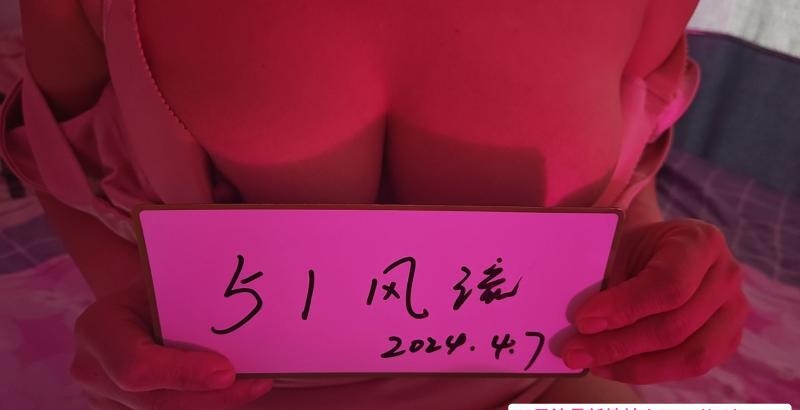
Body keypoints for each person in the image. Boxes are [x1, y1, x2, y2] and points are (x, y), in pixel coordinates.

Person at [1, 0, 748, 409]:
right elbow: (56, 160)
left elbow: (628, 183)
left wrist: (652, 271)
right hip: (220, 395)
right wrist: (130, 307)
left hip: (549, 385)